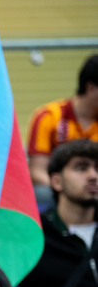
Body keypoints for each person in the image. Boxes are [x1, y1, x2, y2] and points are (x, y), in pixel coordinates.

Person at [18, 139, 98, 287]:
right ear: (56, 181)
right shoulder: (32, 233)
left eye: (97, 168)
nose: (93, 175)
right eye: (81, 168)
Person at [27, 54, 98, 187]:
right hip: (57, 190)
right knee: (42, 193)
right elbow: (36, 172)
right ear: (92, 89)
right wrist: (68, 191)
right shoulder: (48, 116)